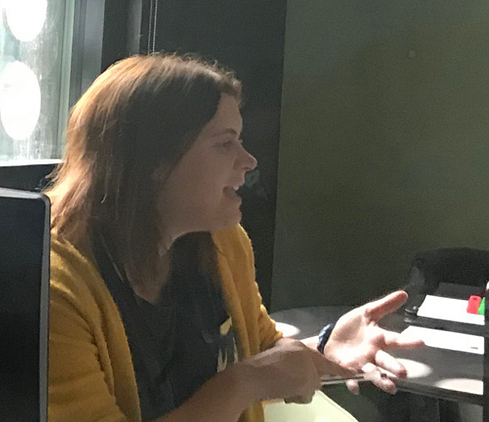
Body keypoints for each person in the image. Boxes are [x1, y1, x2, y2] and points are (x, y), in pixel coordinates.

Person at [46, 54, 423, 422]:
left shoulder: (222, 243)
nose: (249, 161)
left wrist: (324, 349)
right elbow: (251, 374)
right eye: (225, 144)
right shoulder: (55, 293)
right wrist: (245, 382)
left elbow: (257, 352)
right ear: (153, 161)